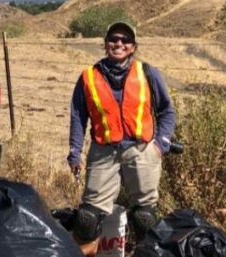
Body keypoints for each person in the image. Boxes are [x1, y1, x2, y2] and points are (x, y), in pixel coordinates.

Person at [67, 21, 176, 245]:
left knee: (144, 217)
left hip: (142, 150)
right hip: (103, 151)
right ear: (105, 44)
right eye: (113, 39)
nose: (119, 43)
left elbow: (167, 110)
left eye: (125, 40)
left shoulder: (147, 73)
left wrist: (161, 144)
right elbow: (78, 116)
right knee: (88, 217)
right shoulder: (88, 76)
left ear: (133, 46)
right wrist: (75, 152)